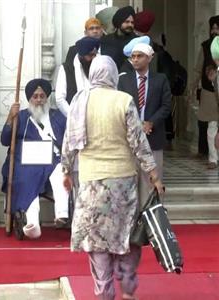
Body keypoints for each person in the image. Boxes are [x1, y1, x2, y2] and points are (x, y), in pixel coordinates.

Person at [61, 55, 164, 300]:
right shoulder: (124, 100)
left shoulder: (80, 101)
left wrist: (66, 170)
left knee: (97, 241)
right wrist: (153, 175)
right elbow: (139, 143)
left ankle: (104, 292)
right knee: (125, 236)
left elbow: (68, 142)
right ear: (114, 75)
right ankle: (128, 288)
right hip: (122, 182)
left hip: (90, 183)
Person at [1, 79, 68, 239]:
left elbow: (68, 139)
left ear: (47, 98)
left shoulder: (57, 116)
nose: (38, 100)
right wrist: (10, 117)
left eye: (42, 96)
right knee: (27, 175)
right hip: (26, 161)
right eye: (35, 96)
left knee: (61, 170)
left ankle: (62, 214)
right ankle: (32, 223)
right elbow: (4, 140)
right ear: (29, 98)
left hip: (53, 159)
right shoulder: (21, 116)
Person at [118, 43, 171, 208]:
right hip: (130, 140)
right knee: (130, 184)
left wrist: (151, 122)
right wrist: (135, 124)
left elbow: (166, 105)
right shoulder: (123, 80)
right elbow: (120, 106)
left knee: (152, 183)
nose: (135, 60)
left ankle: (152, 223)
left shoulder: (160, 79)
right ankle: (133, 225)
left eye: (139, 56)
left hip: (153, 139)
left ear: (149, 58)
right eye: (133, 56)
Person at [190, 15, 219, 167]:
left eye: (217, 28)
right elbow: (198, 68)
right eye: (212, 28)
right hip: (209, 92)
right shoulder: (205, 46)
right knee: (212, 125)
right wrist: (192, 87)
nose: (214, 32)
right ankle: (213, 158)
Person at [55, 37, 100, 116]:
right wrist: (74, 117)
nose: (93, 58)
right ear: (81, 55)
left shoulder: (99, 66)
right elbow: (60, 99)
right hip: (74, 118)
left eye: (95, 55)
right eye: (90, 55)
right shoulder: (66, 69)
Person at [100, 6, 137, 70]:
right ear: (119, 22)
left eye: (132, 22)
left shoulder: (137, 41)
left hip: (129, 78)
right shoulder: (105, 40)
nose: (130, 25)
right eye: (127, 22)